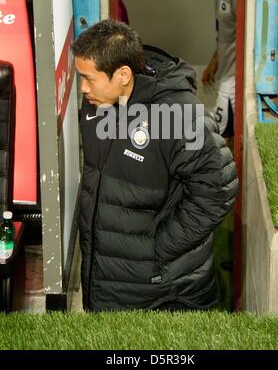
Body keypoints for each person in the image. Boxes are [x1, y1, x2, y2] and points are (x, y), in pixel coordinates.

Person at [71, 19, 239, 312]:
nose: (83, 88)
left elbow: (219, 188)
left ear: (123, 74)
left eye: (89, 78)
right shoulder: (96, 102)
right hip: (106, 282)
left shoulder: (178, 116)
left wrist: (159, 250)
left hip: (160, 293)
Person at [182, 0, 237, 140]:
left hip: (234, 78)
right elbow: (227, 35)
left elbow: (245, 35)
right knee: (224, 131)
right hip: (225, 72)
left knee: (221, 133)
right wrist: (214, 61)